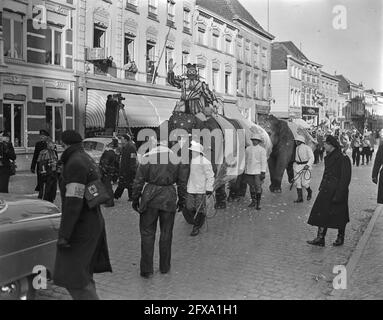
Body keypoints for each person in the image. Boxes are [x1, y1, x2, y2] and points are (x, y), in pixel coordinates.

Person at [53, 130, 112, 300]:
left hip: (81, 226)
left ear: (63, 143)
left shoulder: (75, 163)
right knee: (83, 275)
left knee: (75, 278)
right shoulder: (84, 157)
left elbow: (73, 202)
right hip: (91, 221)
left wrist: (64, 235)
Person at [131, 127, 188, 278]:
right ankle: (164, 267)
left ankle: (146, 269)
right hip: (169, 196)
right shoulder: (176, 158)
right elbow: (182, 182)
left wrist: (135, 198)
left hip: (150, 196)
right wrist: (182, 200)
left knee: (147, 233)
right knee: (166, 233)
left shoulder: (148, 157)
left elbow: (138, 181)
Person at [307, 135, 351, 246]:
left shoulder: (343, 158)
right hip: (327, 189)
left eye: (326, 144)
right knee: (322, 213)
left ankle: (340, 238)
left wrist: (339, 193)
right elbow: (326, 173)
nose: (324, 146)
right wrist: (322, 185)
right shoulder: (329, 156)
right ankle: (320, 238)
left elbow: (345, 178)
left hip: (338, 190)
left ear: (331, 145)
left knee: (340, 215)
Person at [186, 141, 215, 236]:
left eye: (193, 151)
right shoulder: (192, 160)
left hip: (201, 189)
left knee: (199, 208)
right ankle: (196, 221)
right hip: (191, 188)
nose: (192, 152)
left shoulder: (205, 161)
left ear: (198, 152)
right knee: (189, 207)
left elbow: (210, 176)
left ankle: (197, 226)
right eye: (191, 151)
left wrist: (209, 188)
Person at [244, 133, 267, 210]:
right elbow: (245, 160)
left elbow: (264, 161)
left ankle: (258, 203)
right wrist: (245, 170)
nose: (254, 141)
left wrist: (263, 172)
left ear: (259, 141)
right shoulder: (248, 149)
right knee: (251, 186)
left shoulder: (262, 150)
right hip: (249, 170)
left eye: (256, 140)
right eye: (253, 140)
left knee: (258, 187)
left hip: (258, 171)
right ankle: (253, 201)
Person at [114, 134, 137, 201]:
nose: (121, 140)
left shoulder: (131, 147)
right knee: (124, 183)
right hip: (124, 168)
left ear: (126, 140)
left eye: (122, 139)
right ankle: (117, 195)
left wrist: (132, 168)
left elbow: (133, 159)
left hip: (128, 168)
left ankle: (118, 195)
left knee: (128, 183)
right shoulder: (124, 146)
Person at [293, 135, 314, 203]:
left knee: (304, 183)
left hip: (305, 166)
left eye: (296, 141)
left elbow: (312, 157)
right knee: (298, 182)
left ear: (300, 141)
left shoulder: (307, 148)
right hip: (297, 167)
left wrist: (307, 165)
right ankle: (300, 198)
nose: (295, 142)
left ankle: (309, 192)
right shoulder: (297, 148)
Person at [99, 138, 119, 207]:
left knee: (107, 187)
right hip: (110, 172)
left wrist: (102, 172)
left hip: (106, 173)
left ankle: (110, 202)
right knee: (107, 187)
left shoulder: (108, 153)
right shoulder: (113, 153)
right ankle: (107, 200)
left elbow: (105, 164)